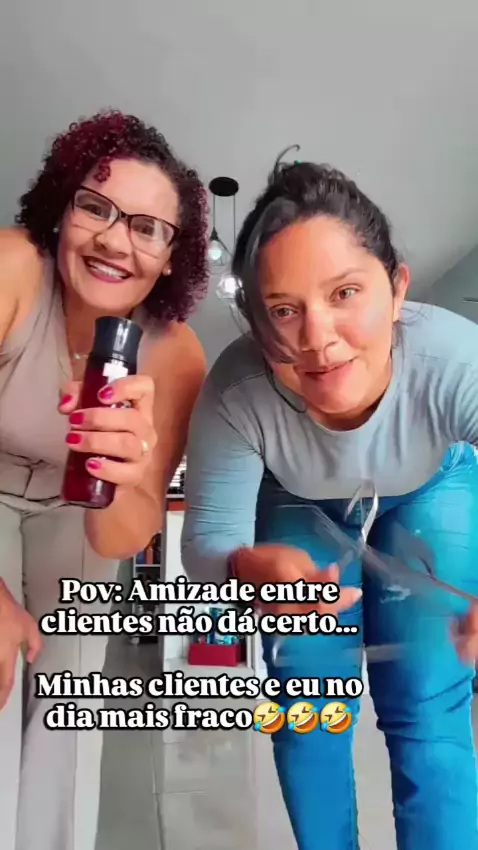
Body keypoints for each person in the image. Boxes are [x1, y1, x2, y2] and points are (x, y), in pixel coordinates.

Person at [181, 159, 478, 850]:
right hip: (298, 498)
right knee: (307, 708)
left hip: (429, 486)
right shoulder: (237, 391)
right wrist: (247, 567)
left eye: (346, 292)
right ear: (256, 324)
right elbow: (209, 543)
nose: (317, 338)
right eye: (284, 310)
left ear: (397, 289)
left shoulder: (456, 360)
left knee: (429, 705)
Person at [0, 109, 209, 850]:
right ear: (62, 209)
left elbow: (126, 535)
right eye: (96, 207)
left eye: (148, 228)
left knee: (70, 695)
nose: (117, 242)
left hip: (76, 511)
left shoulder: (176, 355)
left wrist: (124, 475)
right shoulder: (12, 269)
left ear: (171, 257)